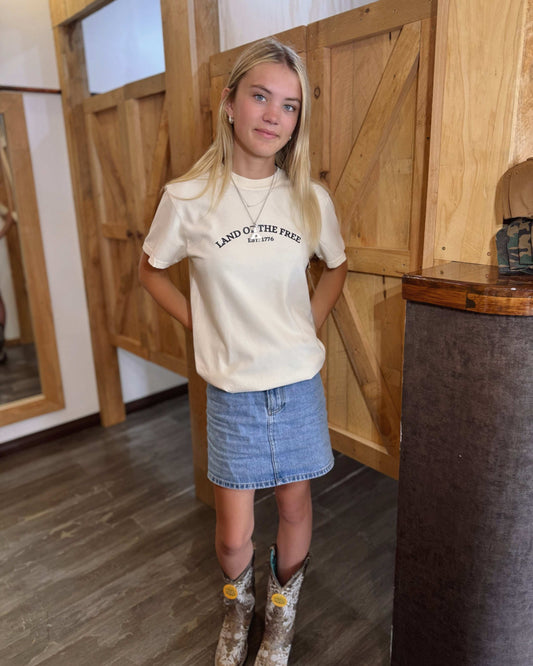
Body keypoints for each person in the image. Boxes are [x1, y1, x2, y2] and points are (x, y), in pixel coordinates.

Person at [139, 37, 347, 666]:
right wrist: (202, 325)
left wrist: (307, 324)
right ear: (228, 101)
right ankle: (240, 609)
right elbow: (150, 270)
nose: (272, 115)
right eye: (260, 96)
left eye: (289, 106)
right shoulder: (187, 198)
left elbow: (336, 266)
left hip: (297, 384)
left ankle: (280, 622)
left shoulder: (310, 198)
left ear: (297, 120)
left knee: (295, 505)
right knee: (234, 533)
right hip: (231, 389)